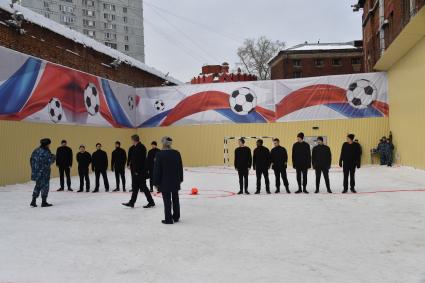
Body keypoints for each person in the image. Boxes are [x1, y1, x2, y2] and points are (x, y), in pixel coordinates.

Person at [153, 137, 183, 225]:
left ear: (163, 143)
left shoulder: (159, 154)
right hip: (175, 180)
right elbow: (180, 167)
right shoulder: (176, 153)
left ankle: (168, 219)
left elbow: (157, 170)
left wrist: (155, 182)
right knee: (175, 199)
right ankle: (176, 217)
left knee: (167, 200)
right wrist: (180, 179)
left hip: (164, 181)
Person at [122, 135, 155, 208]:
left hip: (139, 172)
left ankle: (151, 202)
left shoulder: (140, 147)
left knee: (143, 187)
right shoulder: (137, 147)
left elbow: (140, 161)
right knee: (136, 187)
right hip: (136, 171)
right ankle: (132, 202)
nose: (131, 141)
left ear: (134, 140)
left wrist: (136, 170)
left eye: (131, 140)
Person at [30, 138, 56, 207]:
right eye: (49, 144)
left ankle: (33, 201)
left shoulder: (36, 150)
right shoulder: (46, 152)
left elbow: (31, 160)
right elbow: (49, 162)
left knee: (38, 186)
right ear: (47, 144)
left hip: (37, 172)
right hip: (44, 172)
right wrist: (53, 157)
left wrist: (34, 170)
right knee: (45, 186)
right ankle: (44, 202)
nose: (50, 145)